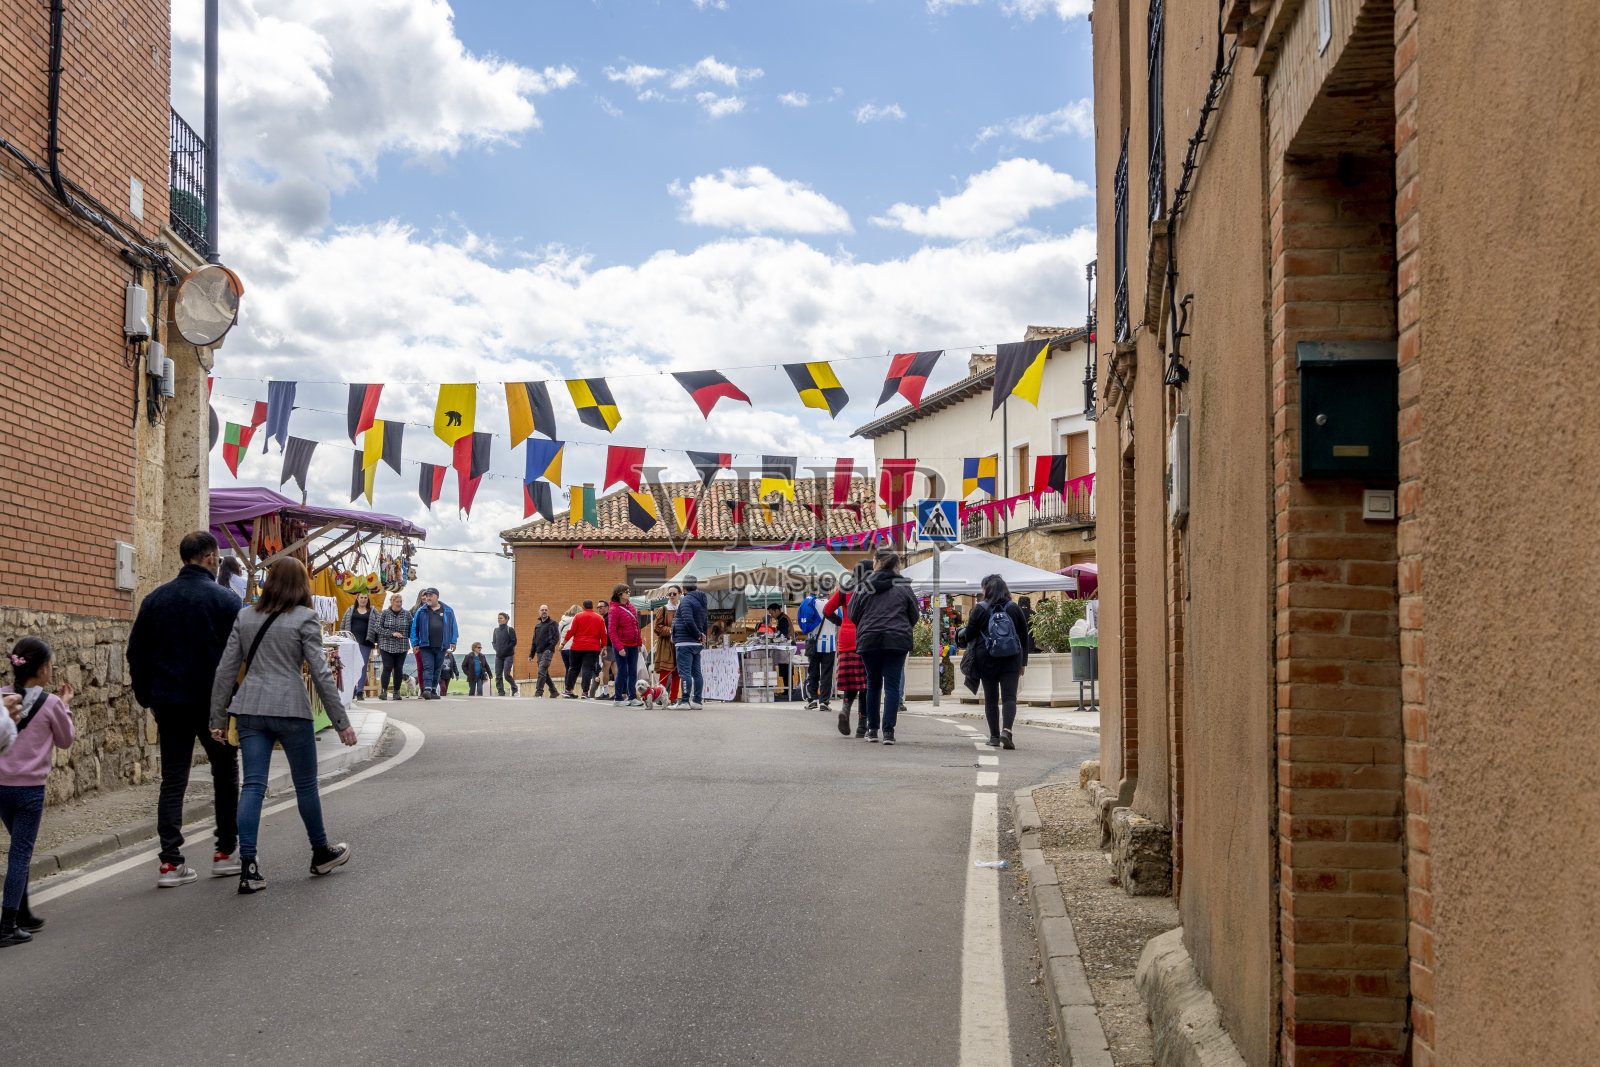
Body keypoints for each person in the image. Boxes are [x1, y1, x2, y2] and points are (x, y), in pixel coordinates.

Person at [208, 557, 357, 895]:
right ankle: (320, 853)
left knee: (252, 786)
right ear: (301, 585)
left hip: (250, 709)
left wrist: (217, 718)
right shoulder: (305, 618)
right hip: (292, 710)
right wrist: (341, 722)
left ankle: (248, 867)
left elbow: (225, 670)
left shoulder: (245, 615)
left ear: (269, 582)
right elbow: (320, 673)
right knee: (305, 786)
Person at [125, 530, 244, 886]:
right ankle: (225, 852)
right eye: (217, 559)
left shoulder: (155, 600)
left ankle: (170, 862)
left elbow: (136, 654)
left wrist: (148, 698)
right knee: (225, 773)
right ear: (210, 558)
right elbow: (239, 656)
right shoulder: (226, 600)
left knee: (173, 779)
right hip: (214, 706)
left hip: (170, 703)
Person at [0, 638, 75, 946]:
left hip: (1, 786)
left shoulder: (2, 697)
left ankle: (23, 913)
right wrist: (65, 705)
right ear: (43, 669)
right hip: (29, 790)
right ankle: (7, 925)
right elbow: (65, 741)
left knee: (19, 848)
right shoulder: (51, 703)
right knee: (20, 853)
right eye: (51, 665)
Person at [847, 550, 920, 745]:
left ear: (877, 562)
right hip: (897, 639)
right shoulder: (903, 586)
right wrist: (902, 627)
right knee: (892, 685)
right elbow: (914, 613)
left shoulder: (864, 585)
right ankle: (888, 732)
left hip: (869, 639)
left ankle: (872, 730)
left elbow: (853, 613)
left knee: (873, 683)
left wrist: (865, 626)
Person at [963, 574, 1030, 749]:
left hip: (986, 659)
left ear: (987, 590)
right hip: (1011, 659)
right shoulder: (1014, 608)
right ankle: (1006, 731)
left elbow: (969, 635)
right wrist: (1023, 662)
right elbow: (1024, 637)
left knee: (991, 698)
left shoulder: (979, 609)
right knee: (1009, 697)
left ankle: (993, 737)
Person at [824, 562, 870, 737]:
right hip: (863, 637)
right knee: (865, 685)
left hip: (845, 639)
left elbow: (827, 610)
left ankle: (845, 708)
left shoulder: (844, 589)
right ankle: (862, 726)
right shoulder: (870, 589)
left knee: (851, 681)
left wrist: (841, 622)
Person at [408, 587, 458, 700]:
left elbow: (453, 627)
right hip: (425, 645)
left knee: (437, 668)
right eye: (427, 596)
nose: (428, 598)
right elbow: (414, 627)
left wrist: (453, 641)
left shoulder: (448, 610)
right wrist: (415, 643)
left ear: (437, 597)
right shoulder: (421, 611)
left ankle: (434, 690)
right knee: (428, 667)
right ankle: (427, 689)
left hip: (441, 645)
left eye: (430, 596)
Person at [671, 580, 709, 709]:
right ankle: (697, 701)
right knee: (696, 673)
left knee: (685, 673)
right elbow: (705, 621)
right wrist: (702, 636)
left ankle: (684, 701)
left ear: (683, 587)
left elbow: (688, 620)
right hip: (696, 643)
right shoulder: (702, 601)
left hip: (684, 641)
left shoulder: (686, 600)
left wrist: (698, 634)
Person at [607, 584, 643, 708]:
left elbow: (636, 626)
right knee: (622, 671)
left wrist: (639, 643)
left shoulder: (631, 607)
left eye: (629, 591)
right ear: (619, 594)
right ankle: (618, 698)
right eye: (626, 592)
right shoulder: (614, 610)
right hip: (622, 645)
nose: (629, 593)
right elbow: (612, 631)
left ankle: (632, 697)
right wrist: (619, 648)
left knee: (633, 671)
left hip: (633, 644)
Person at [564, 600, 607, 699]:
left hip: (577, 647)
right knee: (587, 669)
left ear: (583, 607)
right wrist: (604, 648)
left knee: (573, 668)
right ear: (592, 607)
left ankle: (568, 690)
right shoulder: (599, 618)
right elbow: (604, 634)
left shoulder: (577, 616)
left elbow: (571, 631)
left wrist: (563, 644)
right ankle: (585, 693)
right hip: (593, 648)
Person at [374, 593, 413, 701]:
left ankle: (396, 691)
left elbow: (412, 628)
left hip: (402, 646)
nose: (399, 604)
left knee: (398, 668)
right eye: (397, 602)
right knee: (387, 667)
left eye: (401, 601)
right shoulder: (385, 613)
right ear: (392, 602)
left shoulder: (407, 614)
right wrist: (391, 633)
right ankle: (384, 691)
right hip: (386, 645)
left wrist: (413, 641)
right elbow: (377, 627)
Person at [799, 593, 833, 712]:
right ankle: (824, 702)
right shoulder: (832, 603)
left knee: (812, 672)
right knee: (826, 674)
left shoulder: (809, 603)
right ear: (828, 592)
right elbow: (839, 621)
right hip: (829, 644)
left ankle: (812, 700)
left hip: (813, 643)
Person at [340, 592, 376, 702]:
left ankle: (360, 691)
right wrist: (342, 639)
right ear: (357, 598)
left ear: (368, 599)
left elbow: (377, 626)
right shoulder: (350, 610)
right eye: (361, 597)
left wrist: (377, 643)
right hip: (351, 643)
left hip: (366, 642)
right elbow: (343, 625)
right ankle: (352, 690)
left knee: (362, 667)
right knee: (350, 667)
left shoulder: (372, 611)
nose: (363, 600)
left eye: (365, 598)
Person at [652, 599, 680, 703]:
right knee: (665, 671)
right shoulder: (663, 609)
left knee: (677, 672)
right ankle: (660, 696)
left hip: (679, 642)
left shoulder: (682, 608)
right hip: (665, 643)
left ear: (679, 594)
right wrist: (671, 630)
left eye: (674, 594)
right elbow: (657, 627)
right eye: (670, 594)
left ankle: (673, 698)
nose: (672, 596)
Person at [529, 604, 560, 698]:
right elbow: (534, 641)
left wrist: (550, 648)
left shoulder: (553, 623)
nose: (544, 611)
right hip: (539, 652)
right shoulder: (537, 626)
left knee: (541, 671)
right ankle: (554, 691)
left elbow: (556, 637)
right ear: (539, 611)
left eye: (546, 610)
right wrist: (531, 654)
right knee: (544, 673)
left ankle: (539, 692)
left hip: (548, 651)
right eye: (542, 610)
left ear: (548, 611)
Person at [492, 612, 519, 696]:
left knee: (506, 674)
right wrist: (497, 649)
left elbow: (514, 641)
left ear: (506, 619)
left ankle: (514, 687)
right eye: (498, 618)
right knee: (498, 675)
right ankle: (501, 692)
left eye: (501, 618)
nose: (499, 619)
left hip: (508, 655)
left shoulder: (510, 629)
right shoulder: (496, 630)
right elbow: (494, 642)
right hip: (499, 656)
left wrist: (505, 649)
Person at [557, 604, 580, 693]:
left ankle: (567, 690)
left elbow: (559, 633)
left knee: (568, 669)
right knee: (574, 669)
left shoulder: (562, 621)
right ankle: (569, 690)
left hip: (563, 648)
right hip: (572, 648)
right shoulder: (576, 620)